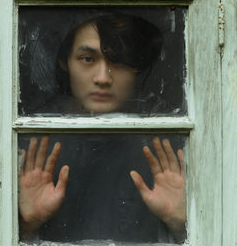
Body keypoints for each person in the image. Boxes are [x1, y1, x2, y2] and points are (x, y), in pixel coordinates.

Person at [18, 13, 186, 243]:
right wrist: (27, 225)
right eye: (87, 59)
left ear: (137, 67)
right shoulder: (32, 141)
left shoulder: (167, 142)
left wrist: (179, 223)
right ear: (64, 61)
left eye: (118, 61)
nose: (103, 78)